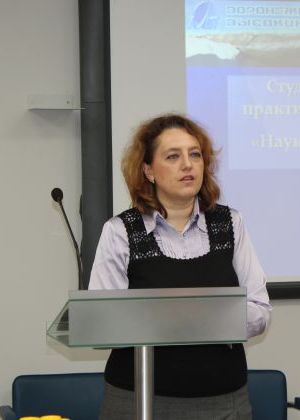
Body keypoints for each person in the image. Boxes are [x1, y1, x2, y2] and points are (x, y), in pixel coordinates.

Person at [89, 113, 272, 420]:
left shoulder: (231, 223)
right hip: (138, 399)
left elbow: (259, 311)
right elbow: (102, 324)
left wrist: (193, 318)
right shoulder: (120, 231)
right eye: (173, 156)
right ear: (148, 170)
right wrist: (199, 317)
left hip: (223, 399)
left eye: (195, 155)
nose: (188, 165)